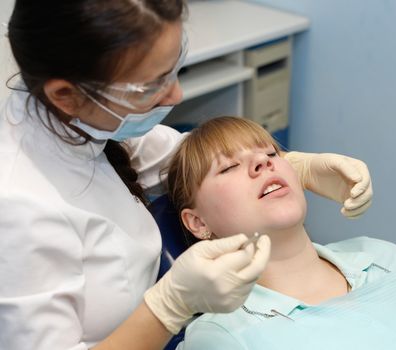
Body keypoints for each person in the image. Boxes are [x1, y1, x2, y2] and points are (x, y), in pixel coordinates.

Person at [0, 1, 373, 349]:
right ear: (66, 95)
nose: (176, 94)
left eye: (175, 64)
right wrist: (168, 308)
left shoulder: (93, 122)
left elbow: (185, 156)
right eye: (151, 85)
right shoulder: (19, 206)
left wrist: (299, 165)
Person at [166, 116, 396, 350]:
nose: (263, 163)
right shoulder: (223, 334)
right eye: (229, 167)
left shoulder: (382, 257)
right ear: (198, 223)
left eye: (272, 154)